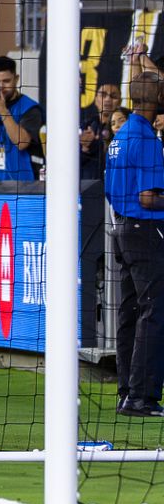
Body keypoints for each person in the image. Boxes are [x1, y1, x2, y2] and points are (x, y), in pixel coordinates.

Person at [104, 72, 164, 418]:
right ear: (155, 96)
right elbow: (148, 197)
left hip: (122, 230)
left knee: (130, 311)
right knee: (153, 310)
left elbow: (114, 191)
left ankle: (127, 391)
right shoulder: (147, 140)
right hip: (145, 231)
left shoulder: (120, 136)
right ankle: (142, 397)